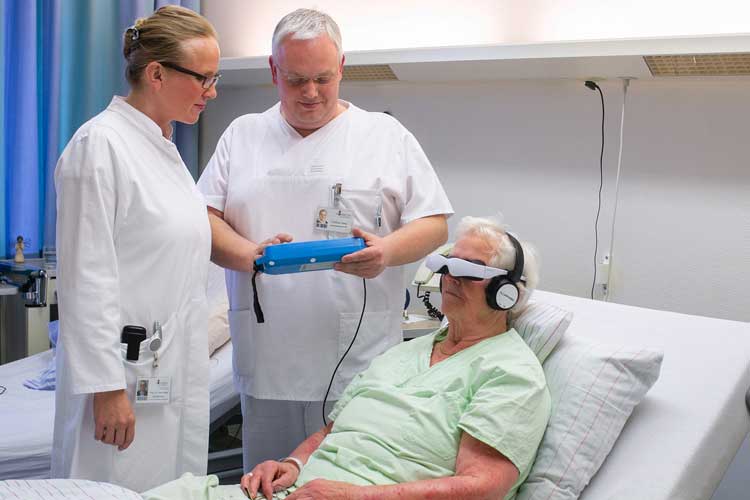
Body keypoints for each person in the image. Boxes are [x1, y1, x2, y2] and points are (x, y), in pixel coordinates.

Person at [197, 8, 453, 471]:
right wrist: (252, 255)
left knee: (346, 480)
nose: (310, 93)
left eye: (322, 78)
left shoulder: (384, 135)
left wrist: (386, 252)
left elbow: (435, 223)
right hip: (267, 357)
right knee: (267, 481)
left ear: (341, 68)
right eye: (295, 80)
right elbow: (203, 220)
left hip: (359, 360)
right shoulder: (243, 135)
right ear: (274, 71)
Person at [239, 215, 551, 500]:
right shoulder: (404, 352)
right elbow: (331, 432)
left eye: (469, 271)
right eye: (446, 266)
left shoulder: (510, 373)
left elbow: (482, 487)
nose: (449, 278)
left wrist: (352, 496)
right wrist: (293, 463)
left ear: (506, 292)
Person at [52, 6, 220, 491]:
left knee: (170, 486)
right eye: (204, 78)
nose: (213, 92)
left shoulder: (164, 149)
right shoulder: (100, 146)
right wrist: (106, 390)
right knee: (112, 487)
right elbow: (87, 280)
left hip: (165, 374)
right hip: (120, 382)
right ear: (156, 73)